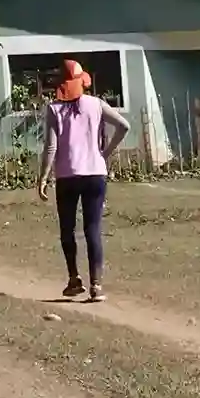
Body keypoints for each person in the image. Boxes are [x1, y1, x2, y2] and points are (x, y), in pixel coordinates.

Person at [34, 59, 128, 303]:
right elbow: (124, 126)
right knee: (92, 229)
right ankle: (96, 286)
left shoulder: (54, 109)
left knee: (68, 229)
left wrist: (43, 178)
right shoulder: (96, 104)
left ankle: (74, 280)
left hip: (67, 176)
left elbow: (51, 146)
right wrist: (104, 154)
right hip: (95, 174)